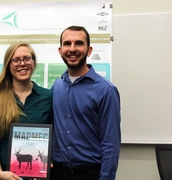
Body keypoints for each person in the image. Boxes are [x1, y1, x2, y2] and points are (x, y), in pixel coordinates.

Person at [50, 25, 121, 180]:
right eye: (67, 44)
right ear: (60, 50)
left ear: (89, 50)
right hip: (57, 174)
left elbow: (111, 144)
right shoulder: (56, 87)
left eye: (79, 43)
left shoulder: (106, 90)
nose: (72, 49)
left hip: (90, 175)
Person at [0, 42, 52, 180]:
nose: (22, 63)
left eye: (27, 58)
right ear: (8, 65)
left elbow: (56, 137)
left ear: (33, 62)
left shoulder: (48, 97)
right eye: (16, 60)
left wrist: (49, 163)